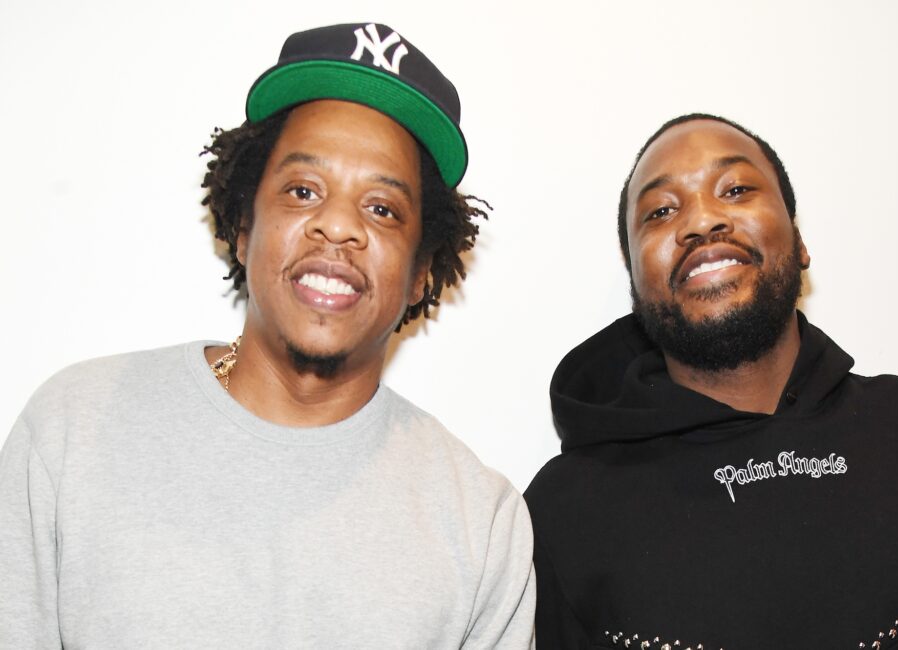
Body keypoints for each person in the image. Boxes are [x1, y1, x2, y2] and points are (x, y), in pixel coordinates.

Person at [0, 23, 534, 648]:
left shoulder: (480, 523)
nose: (337, 226)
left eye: (382, 208)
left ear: (421, 271)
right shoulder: (73, 430)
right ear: (243, 226)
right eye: (303, 191)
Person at [524, 113, 898, 649]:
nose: (702, 221)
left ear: (799, 240)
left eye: (736, 189)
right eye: (661, 211)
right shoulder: (560, 518)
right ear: (635, 281)